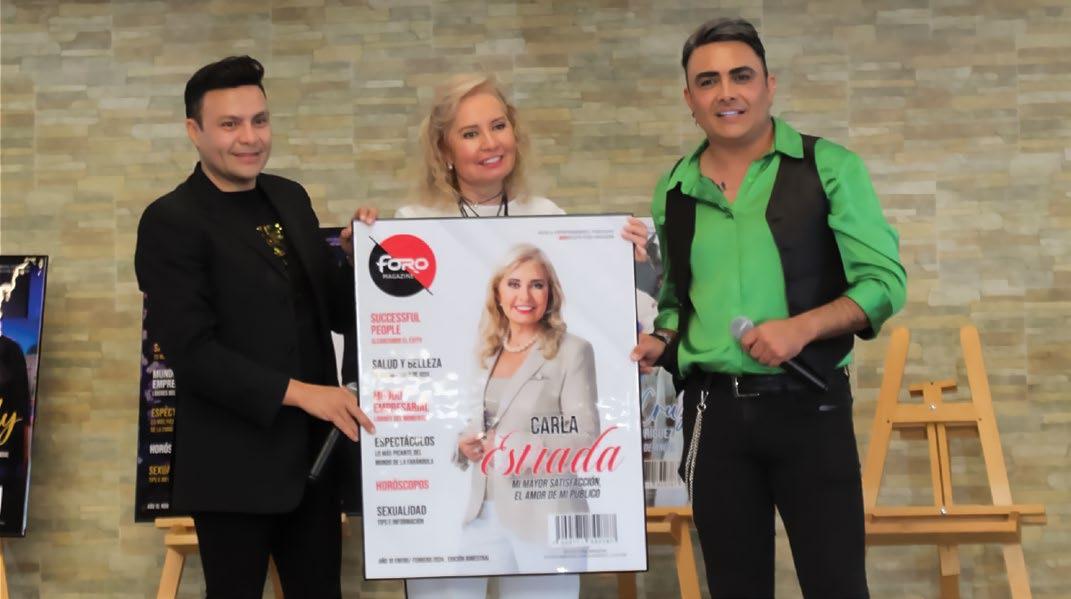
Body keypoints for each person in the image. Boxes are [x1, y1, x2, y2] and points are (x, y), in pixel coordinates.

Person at [630, 18, 907, 599]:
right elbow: (677, 300)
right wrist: (663, 339)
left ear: (769, 85)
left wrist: (803, 327)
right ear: (689, 99)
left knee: (837, 586)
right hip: (713, 416)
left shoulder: (829, 167)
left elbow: (883, 284)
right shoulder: (673, 189)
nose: (725, 92)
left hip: (811, 405)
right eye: (707, 81)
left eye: (741, 76)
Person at [345, 73, 646, 599]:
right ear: (444, 150)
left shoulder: (549, 218)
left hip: (545, 510)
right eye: (470, 133)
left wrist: (626, 261)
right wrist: (363, 251)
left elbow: (585, 420)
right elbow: (417, 377)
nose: (490, 143)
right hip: (455, 508)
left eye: (498, 126)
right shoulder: (410, 227)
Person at [134, 55, 375, 599]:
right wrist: (305, 393)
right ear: (194, 131)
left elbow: (334, 311)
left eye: (259, 121)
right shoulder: (171, 221)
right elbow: (193, 354)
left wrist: (359, 261)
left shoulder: (290, 196)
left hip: (313, 464)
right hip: (231, 470)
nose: (249, 137)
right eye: (230, 124)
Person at [451, 244, 598, 588]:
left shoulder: (573, 351)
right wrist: (463, 445)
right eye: (514, 284)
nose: (525, 296)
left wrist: (512, 446)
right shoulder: (487, 352)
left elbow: (586, 436)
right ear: (498, 293)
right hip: (482, 513)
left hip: (546, 515)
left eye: (537, 285)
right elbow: (482, 421)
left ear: (550, 293)